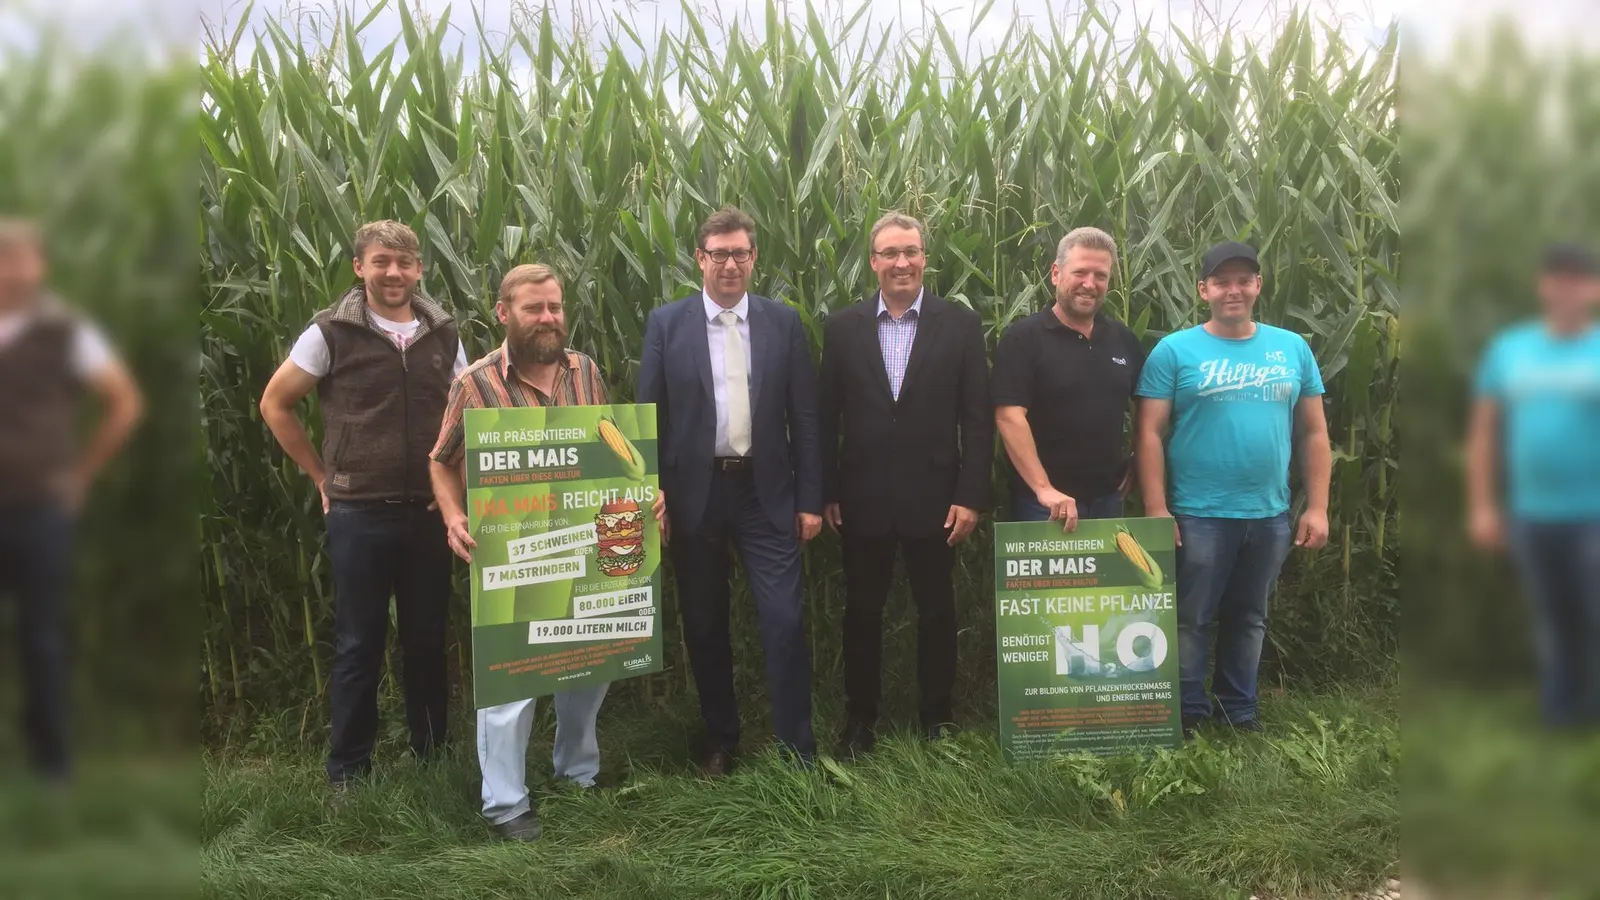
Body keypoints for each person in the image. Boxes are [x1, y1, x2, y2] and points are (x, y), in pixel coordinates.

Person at [430, 263, 663, 840]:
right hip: (513, 551)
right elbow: (441, 458)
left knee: (591, 663)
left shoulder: (585, 372)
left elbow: (612, 446)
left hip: (585, 544)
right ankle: (506, 805)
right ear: (504, 313)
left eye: (555, 307)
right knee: (510, 682)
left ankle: (577, 774)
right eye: (534, 308)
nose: (547, 318)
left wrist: (645, 493)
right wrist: (454, 513)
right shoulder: (477, 384)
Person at [259, 220, 466, 786]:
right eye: (381, 262)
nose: (393, 273)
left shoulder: (443, 334)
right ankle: (349, 771)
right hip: (359, 513)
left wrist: (456, 492)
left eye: (404, 263)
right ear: (360, 268)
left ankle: (432, 759)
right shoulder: (330, 332)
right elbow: (275, 404)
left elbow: (469, 413)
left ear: (419, 268)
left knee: (426, 638)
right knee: (359, 644)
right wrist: (321, 475)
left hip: (427, 512)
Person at [637, 206, 823, 774]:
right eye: (719, 254)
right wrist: (653, 495)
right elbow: (649, 416)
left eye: (741, 253)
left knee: (784, 619)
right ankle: (721, 740)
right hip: (695, 494)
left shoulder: (782, 322)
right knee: (704, 621)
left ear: (754, 258)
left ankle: (797, 748)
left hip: (765, 493)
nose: (730, 264)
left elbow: (807, 417)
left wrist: (811, 499)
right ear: (700, 258)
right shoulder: (666, 324)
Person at [1134, 241, 1331, 737]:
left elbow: (1313, 432)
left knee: (1249, 618)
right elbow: (1149, 434)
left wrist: (1319, 507)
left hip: (1269, 514)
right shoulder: (1174, 351)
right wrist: (1157, 507)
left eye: (1244, 280)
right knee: (1190, 619)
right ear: (1204, 290)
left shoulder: (1292, 348)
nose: (1234, 290)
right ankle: (1188, 712)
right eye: (1222, 281)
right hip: (1198, 512)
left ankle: (1238, 711)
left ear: (1259, 286)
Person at [818, 212, 993, 755]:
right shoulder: (843, 328)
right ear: (872, 262)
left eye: (911, 252)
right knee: (862, 613)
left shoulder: (959, 325)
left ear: (924, 258)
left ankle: (937, 719)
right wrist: (826, 491)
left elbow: (977, 418)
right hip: (863, 497)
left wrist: (970, 495)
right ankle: (859, 721)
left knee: (937, 611)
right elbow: (827, 417)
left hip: (937, 498)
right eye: (890, 253)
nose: (902, 263)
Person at [0, 217, 144, 781]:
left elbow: (124, 401)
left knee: (42, 638)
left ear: (41, 266)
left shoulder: (67, 331)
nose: (13, 270)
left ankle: (51, 772)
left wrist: (81, 475)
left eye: (22, 258)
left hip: (40, 509)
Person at [1467, 243, 1600, 730]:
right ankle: (1563, 717)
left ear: (1594, 289)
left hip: (1594, 515)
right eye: (1557, 279)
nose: (1566, 289)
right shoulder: (1510, 349)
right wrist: (1483, 507)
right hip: (1532, 514)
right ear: (1542, 286)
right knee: (1553, 620)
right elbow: (1484, 432)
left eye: (1577, 279)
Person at [993, 227, 1145, 529]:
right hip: (1044, 505)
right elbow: (1009, 417)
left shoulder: (1121, 338)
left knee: (1105, 579)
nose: (1090, 284)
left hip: (1107, 499)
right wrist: (1043, 488)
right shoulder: (1024, 338)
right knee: (1052, 581)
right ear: (1056, 273)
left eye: (1100, 276)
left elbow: (1148, 406)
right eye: (1080, 273)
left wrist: (1139, 456)